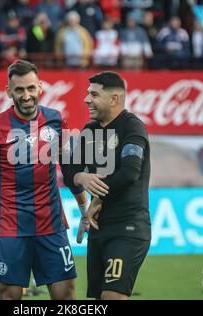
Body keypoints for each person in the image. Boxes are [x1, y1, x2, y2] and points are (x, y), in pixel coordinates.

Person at [0, 60, 89, 300]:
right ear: (9, 91)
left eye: (31, 88)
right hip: (10, 225)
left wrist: (84, 210)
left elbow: (68, 169)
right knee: (9, 295)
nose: (26, 95)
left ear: (40, 87)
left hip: (51, 223)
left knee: (66, 295)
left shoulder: (56, 120)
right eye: (20, 90)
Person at [64, 71, 151, 300]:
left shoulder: (132, 127)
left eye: (94, 94)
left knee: (112, 297)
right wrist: (80, 178)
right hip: (99, 230)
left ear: (114, 99)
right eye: (86, 94)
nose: (86, 100)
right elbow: (69, 171)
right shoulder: (90, 130)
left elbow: (130, 173)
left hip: (128, 228)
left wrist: (98, 198)